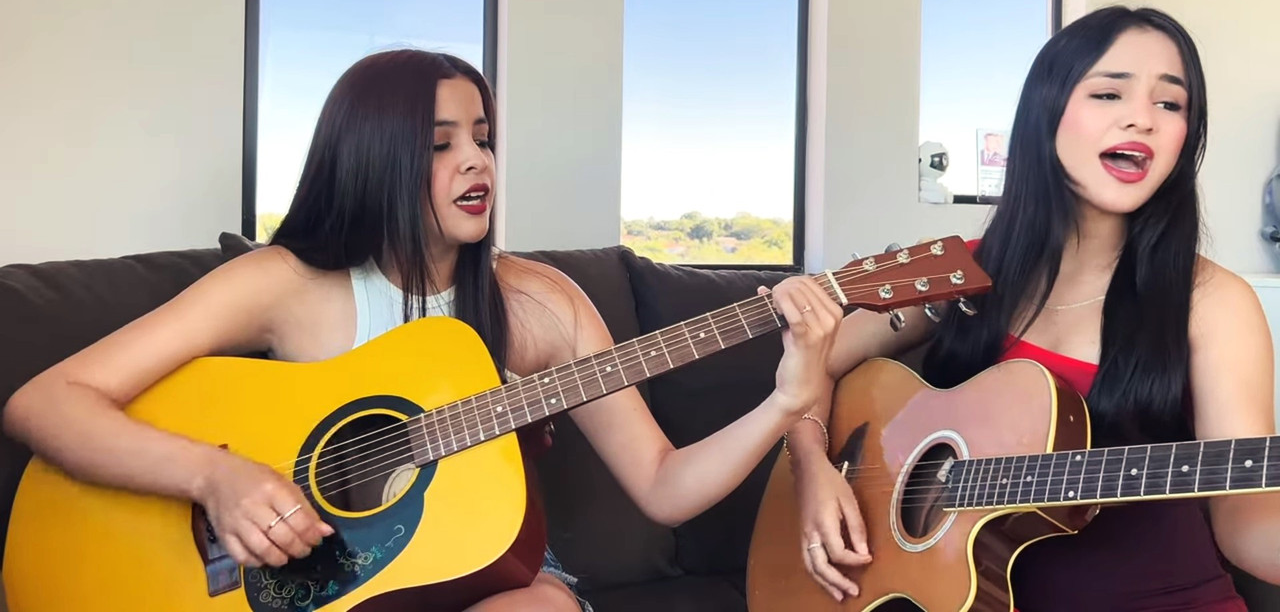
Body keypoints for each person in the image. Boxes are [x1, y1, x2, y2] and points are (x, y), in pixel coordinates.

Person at [1, 49, 845, 612]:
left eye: (483, 138)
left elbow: (662, 484)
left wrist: (784, 401)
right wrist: (214, 478)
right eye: (442, 145)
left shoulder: (540, 303)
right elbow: (47, 401)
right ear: (373, 158)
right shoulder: (284, 285)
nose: (478, 160)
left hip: (486, 583)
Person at [784, 5, 1280, 610]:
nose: (1143, 119)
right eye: (1109, 93)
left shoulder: (1213, 302)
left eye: (1170, 103)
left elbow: (1247, 523)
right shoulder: (953, 272)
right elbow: (807, 365)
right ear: (1046, 112)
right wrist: (811, 467)